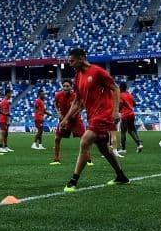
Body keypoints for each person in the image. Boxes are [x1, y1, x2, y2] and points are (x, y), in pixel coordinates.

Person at [60, 49, 130, 191]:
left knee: (84, 142)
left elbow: (115, 88)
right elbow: (77, 101)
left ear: (80, 59)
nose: (70, 63)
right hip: (92, 116)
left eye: (72, 60)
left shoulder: (98, 71)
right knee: (103, 149)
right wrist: (66, 118)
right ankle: (121, 176)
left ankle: (73, 180)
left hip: (103, 114)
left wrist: (116, 111)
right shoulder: (78, 76)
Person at [50, 79, 92, 167]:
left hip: (75, 120)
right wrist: (58, 113)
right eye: (64, 86)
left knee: (84, 139)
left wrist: (76, 113)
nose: (65, 88)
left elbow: (83, 106)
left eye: (67, 86)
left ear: (71, 87)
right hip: (63, 120)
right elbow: (55, 104)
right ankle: (56, 159)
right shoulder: (58, 95)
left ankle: (89, 160)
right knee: (57, 138)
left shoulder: (76, 96)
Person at [117, 82, 143, 154]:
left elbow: (121, 104)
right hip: (131, 114)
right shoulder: (130, 95)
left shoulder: (121, 95)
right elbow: (134, 104)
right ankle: (139, 144)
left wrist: (118, 111)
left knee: (123, 132)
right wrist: (129, 105)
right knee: (131, 131)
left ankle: (123, 149)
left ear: (121, 88)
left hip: (125, 115)